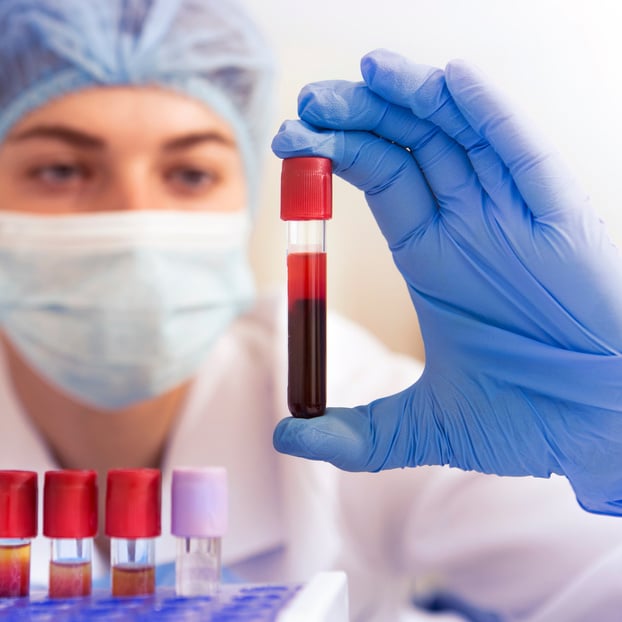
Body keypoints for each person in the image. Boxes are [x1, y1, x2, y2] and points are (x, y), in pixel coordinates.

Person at [0, 1, 621, 620]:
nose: (133, 220)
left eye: (190, 173)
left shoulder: (344, 393)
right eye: (60, 170)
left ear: (247, 196)